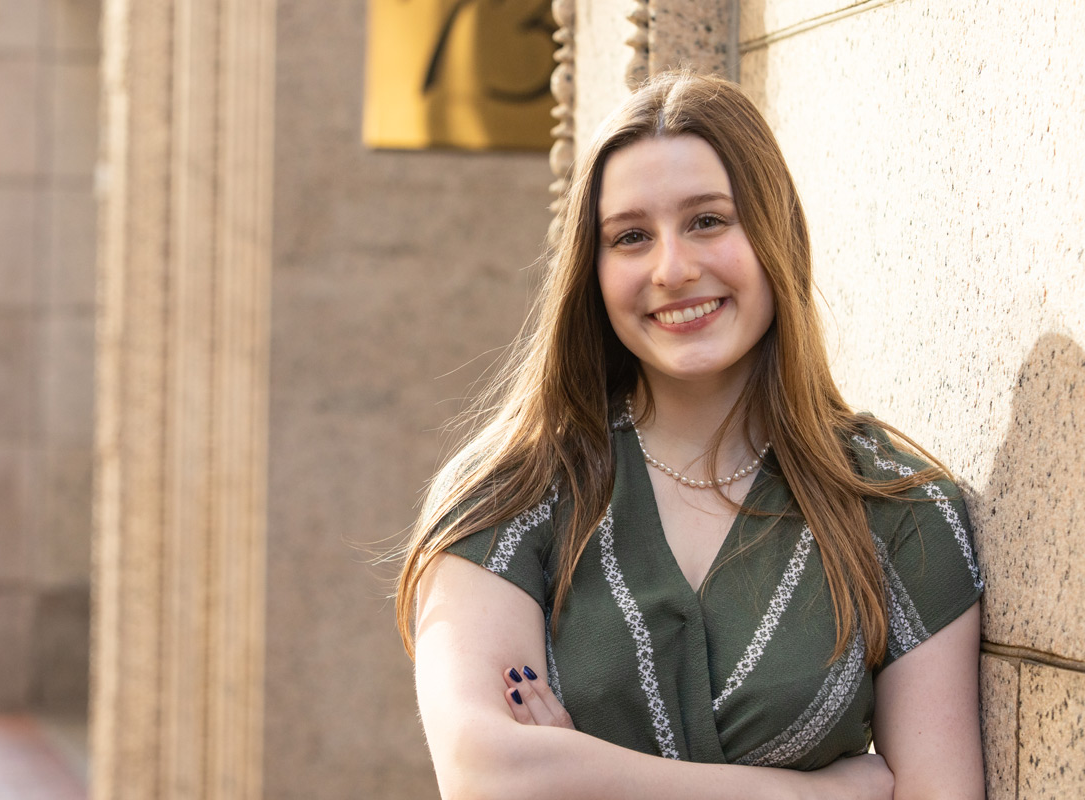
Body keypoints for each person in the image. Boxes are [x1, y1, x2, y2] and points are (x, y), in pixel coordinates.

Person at [396, 70, 984, 800]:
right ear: (593, 266)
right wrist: (809, 793)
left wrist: (579, 776)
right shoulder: (511, 492)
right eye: (631, 237)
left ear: (775, 233)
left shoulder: (897, 509)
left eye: (708, 220)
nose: (672, 269)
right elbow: (486, 776)